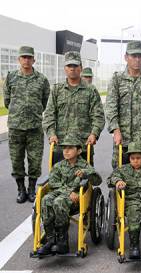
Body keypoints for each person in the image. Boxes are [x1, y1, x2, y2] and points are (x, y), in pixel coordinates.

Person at [37, 135, 102, 256]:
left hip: (77, 199)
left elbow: (97, 181)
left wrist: (86, 174)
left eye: (70, 148)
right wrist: (68, 192)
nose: (66, 151)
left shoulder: (84, 166)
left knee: (58, 202)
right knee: (46, 199)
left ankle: (62, 242)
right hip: (62, 193)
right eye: (64, 148)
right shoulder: (59, 166)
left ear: (79, 151)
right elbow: (53, 183)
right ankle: (50, 240)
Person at [105, 41, 141, 167]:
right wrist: (116, 130)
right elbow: (111, 107)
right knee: (119, 179)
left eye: (140, 56)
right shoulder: (117, 79)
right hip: (123, 140)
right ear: (126, 57)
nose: (137, 59)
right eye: (133, 56)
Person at [3, 46, 50, 203]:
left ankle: (31, 189)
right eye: (23, 57)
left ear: (34, 60)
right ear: (19, 59)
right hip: (16, 127)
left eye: (29, 57)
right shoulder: (11, 78)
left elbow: (45, 102)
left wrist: (33, 112)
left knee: (35, 161)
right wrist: (18, 113)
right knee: (16, 160)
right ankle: (21, 189)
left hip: (35, 128)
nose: (26, 60)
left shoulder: (42, 80)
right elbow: (7, 100)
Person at [42, 51, 105, 165]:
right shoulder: (57, 90)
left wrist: (94, 134)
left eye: (75, 65)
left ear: (80, 68)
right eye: (69, 66)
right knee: (58, 181)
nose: (72, 68)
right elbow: (48, 115)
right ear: (65, 68)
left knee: (84, 180)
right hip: (61, 146)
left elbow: (98, 116)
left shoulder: (90, 90)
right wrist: (51, 134)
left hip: (83, 146)